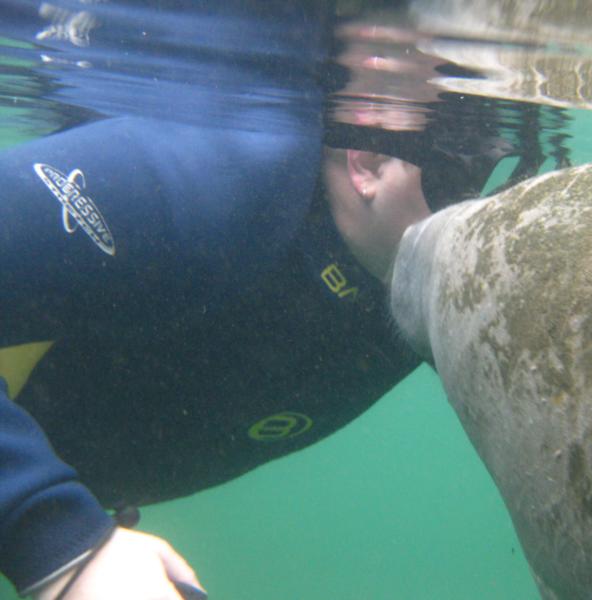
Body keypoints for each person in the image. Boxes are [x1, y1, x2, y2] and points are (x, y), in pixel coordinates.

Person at [0, 2, 560, 598]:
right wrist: (61, 548)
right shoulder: (229, 183)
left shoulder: (400, 287)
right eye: (477, 190)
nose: (492, 239)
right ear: (369, 161)